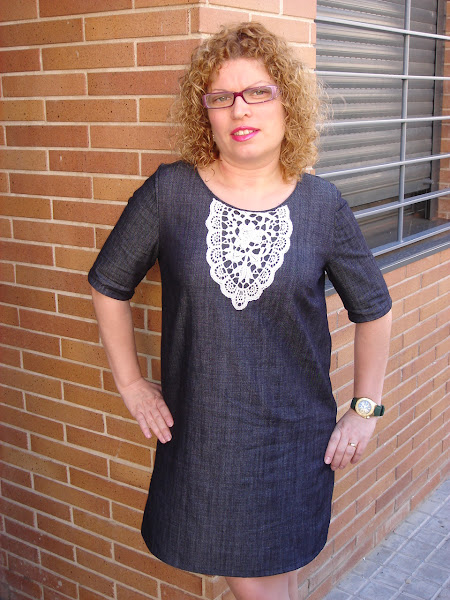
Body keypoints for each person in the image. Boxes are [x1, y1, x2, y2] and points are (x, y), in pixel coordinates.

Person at [88, 22, 392, 600]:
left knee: (281, 577)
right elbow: (108, 285)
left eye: (258, 92)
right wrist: (131, 385)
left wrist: (365, 409)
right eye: (221, 97)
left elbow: (374, 309)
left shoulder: (323, 205)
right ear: (204, 112)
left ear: (287, 103)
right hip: (204, 440)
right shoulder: (170, 194)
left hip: (294, 444)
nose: (240, 109)